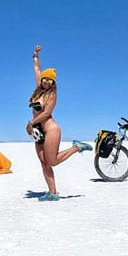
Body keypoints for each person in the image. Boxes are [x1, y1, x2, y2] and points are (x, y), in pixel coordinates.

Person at [27, 45, 91, 201]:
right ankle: (53, 193)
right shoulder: (38, 90)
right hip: (38, 132)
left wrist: (31, 123)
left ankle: (77, 147)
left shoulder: (52, 95)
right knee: (44, 163)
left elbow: (46, 113)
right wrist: (35, 55)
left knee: (52, 161)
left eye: (51, 80)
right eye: (46, 79)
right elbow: (37, 69)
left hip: (50, 130)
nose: (47, 82)